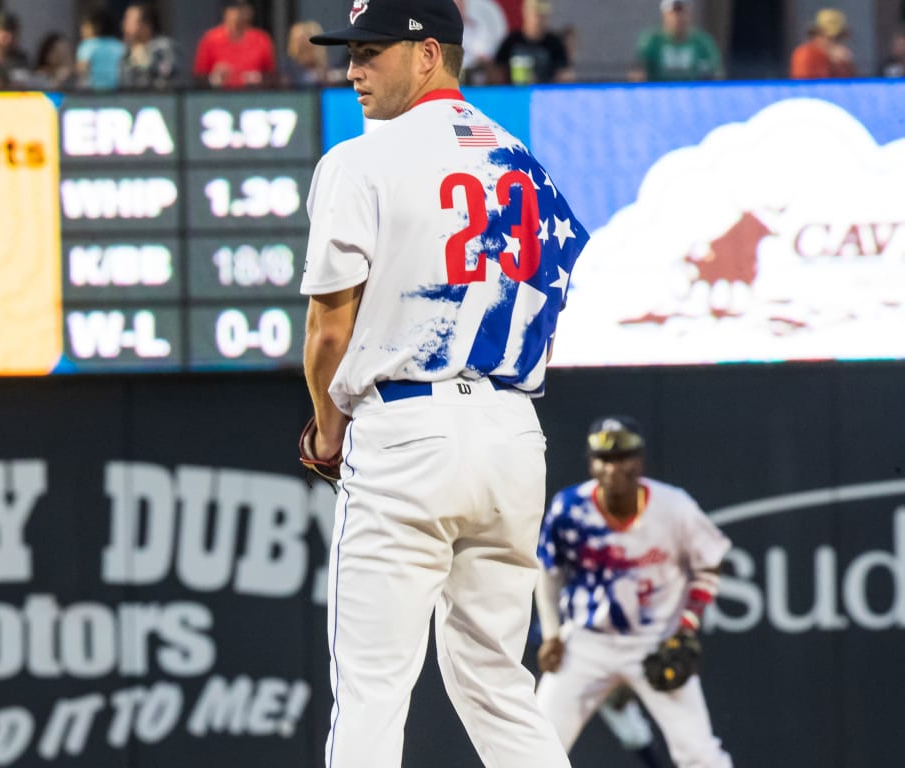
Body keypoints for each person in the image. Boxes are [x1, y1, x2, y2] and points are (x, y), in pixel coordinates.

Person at [298, 1, 588, 765]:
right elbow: (551, 314)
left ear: (427, 54)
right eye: (351, 52)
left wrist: (328, 432)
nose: (352, 68)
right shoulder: (526, 163)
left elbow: (329, 330)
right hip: (513, 432)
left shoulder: (361, 159)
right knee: (498, 682)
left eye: (371, 51)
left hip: (406, 429)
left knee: (370, 690)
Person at [534, 416, 733, 767]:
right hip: (586, 642)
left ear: (639, 460)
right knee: (535, 747)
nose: (613, 468)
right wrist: (552, 633)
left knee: (700, 754)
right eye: (604, 459)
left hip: (656, 640)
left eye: (623, 457)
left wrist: (686, 626)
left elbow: (710, 562)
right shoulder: (570, 508)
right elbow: (547, 571)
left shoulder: (673, 507)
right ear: (591, 463)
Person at [630, 0, 722, 81]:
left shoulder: (702, 42)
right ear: (665, 15)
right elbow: (638, 70)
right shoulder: (652, 41)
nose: (679, 18)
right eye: (674, 12)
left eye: (683, 12)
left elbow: (716, 72)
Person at [193, 0, 275, 88]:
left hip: (253, 96)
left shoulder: (262, 39)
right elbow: (198, 79)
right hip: (219, 97)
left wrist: (259, 78)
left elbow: (273, 77)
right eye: (234, 8)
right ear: (226, 12)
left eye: (242, 7)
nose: (238, 13)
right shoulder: (210, 39)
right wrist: (214, 79)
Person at [494, 0, 572, 84]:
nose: (538, 19)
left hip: (544, 93)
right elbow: (498, 71)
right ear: (525, 12)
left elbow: (564, 72)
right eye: (535, 13)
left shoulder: (555, 43)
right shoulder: (511, 41)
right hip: (515, 94)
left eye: (542, 15)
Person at [120, 3, 178, 89]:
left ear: (145, 26)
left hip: (159, 99)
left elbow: (168, 73)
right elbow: (123, 81)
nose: (124, 26)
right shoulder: (126, 50)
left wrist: (146, 62)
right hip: (131, 100)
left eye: (129, 21)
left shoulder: (163, 47)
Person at [790, 8, 856, 79]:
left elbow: (849, 84)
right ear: (817, 34)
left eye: (838, 38)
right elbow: (806, 84)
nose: (835, 43)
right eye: (830, 38)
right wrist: (831, 63)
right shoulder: (805, 54)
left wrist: (844, 65)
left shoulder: (843, 58)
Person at [455, 0, 507, 84]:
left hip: (482, 72)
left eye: (460, 3)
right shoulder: (446, 32)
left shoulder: (478, 27)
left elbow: (487, 52)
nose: (457, 8)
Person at [76, 9, 123, 91]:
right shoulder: (118, 45)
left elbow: (82, 71)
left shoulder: (87, 46)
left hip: (93, 93)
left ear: (96, 26)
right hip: (116, 92)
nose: (82, 30)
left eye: (85, 26)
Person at [281, 21, 338, 86]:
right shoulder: (287, 66)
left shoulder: (327, 65)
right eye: (302, 49)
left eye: (309, 48)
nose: (306, 54)